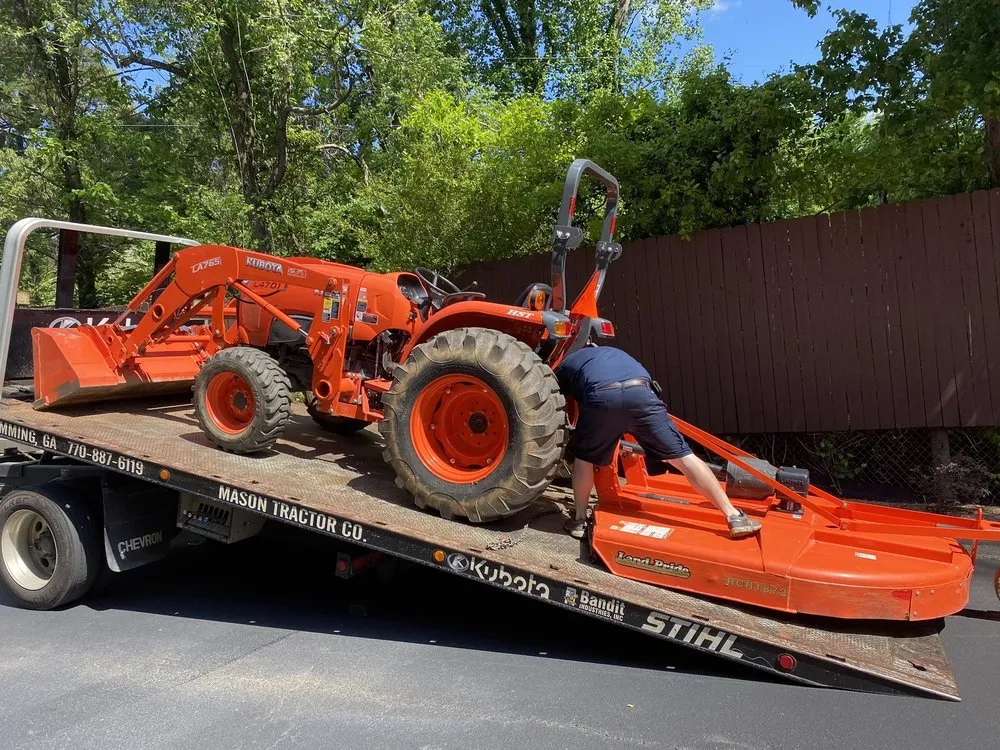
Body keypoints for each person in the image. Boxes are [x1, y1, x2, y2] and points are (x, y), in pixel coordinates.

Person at [554, 342, 761, 540]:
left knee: (584, 458)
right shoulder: (619, 355)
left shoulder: (568, 363)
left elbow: (554, 400)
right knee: (684, 458)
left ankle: (580, 520)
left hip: (602, 398)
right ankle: (733, 515)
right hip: (642, 394)